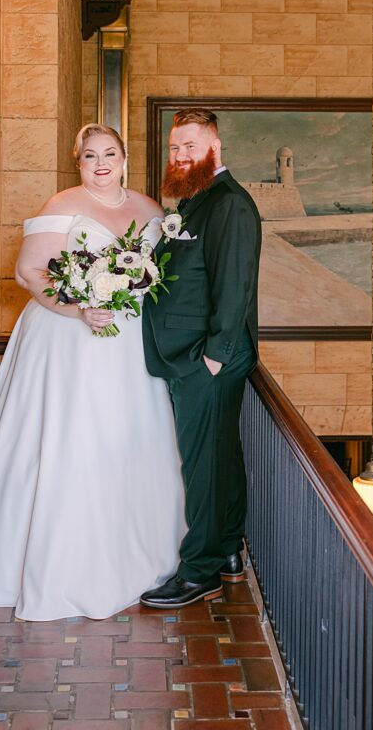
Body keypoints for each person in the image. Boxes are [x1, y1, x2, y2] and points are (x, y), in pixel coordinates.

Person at [0, 124, 186, 620]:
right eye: (89, 156)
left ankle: (138, 552)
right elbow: (29, 272)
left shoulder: (151, 210)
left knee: (129, 437)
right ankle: (53, 564)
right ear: (77, 162)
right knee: (68, 438)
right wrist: (79, 308)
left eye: (109, 154)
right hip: (69, 339)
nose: (100, 163)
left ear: (125, 158)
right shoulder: (61, 204)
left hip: (130, 343)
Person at [140, 108, 262, 608]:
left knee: (202, 467)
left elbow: (235, 286)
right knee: (220, 456)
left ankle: (200, 572)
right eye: (175, 148)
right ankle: (229, 549)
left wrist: (213, 357)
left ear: (216, 147)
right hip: (190, 354)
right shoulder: (194, 202)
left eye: (191, 146)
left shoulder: (230, 204)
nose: (181, 155)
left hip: (206, 359)